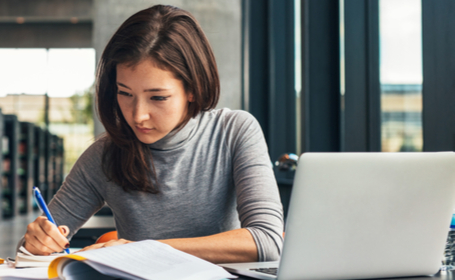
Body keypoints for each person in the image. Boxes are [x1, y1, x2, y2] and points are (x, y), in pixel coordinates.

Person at [22, 4, 283, 263]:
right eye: (125, 93)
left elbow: (267, 241)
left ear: (192, 89)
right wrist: (35, 243)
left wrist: (140, 250)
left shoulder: (233, 131)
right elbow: (27, 252)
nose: (138, 115)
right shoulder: (104, 155)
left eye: (157, 97)